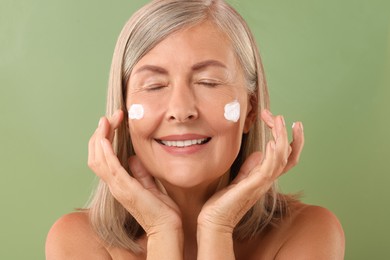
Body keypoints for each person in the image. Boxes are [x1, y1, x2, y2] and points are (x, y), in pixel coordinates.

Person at [45, 0, 345, 259]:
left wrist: (218, 226)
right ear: (121, 112)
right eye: (154, 85)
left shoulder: (308, 231)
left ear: (251, 109)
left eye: (208, 82)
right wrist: (162, 229)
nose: (181, 110)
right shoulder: (77, 241)